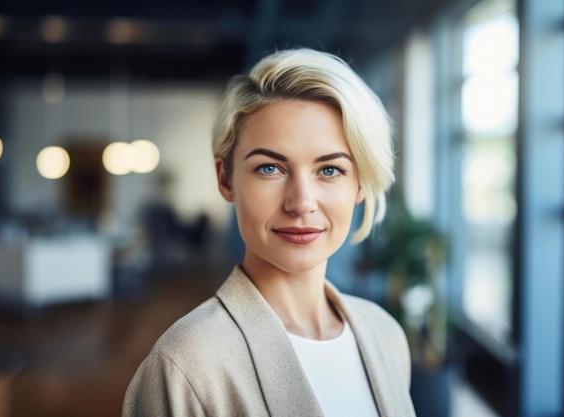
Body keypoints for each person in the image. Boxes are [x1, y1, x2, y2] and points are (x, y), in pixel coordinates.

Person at [122, 48, 416, 417]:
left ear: (360, 184)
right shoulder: (185, 364)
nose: (301, 202)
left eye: (329, 170)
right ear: (226, 180)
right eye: (270, 168)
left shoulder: (385, 336)